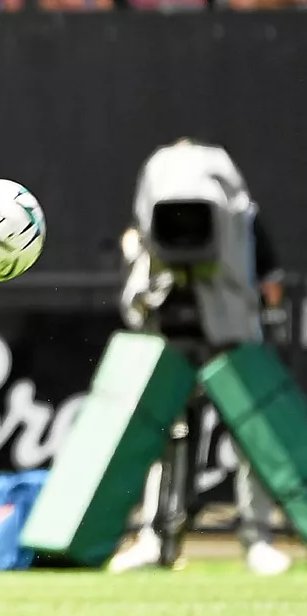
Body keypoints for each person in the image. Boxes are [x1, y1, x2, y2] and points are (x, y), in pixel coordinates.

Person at [108, 137, 291, 576]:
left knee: (254, 436)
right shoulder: (152, 226)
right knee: (163, 432)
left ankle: (257, 537)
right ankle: (157, 537)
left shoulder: (242, 222)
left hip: (230, 335)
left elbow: (269, 281)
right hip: (172, 335)